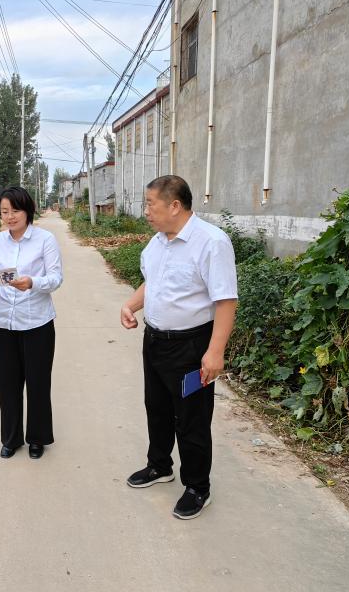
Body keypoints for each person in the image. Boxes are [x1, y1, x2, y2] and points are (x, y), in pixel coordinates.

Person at [120, 175, 237, 520]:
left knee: (192, 418)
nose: (145, 211)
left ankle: (198, 487)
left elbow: (226, 301)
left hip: (191, 347)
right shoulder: (157, 242)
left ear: (174, 205)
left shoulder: (211, 242)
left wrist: (215, 352)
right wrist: (131, 305)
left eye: (150, 204)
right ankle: (159, 465)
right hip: (155, 341)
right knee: (156, 407)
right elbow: (153, 282)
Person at [0, 186, 63, 460]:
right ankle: (11, 438)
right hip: (3, 323)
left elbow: (56, 278)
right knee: (8, 383)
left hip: (37, 322)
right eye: (4, 211)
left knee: (38, 383)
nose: (10, 216)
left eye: (15, 210)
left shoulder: (45, 240)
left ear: (28, 211)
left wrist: (32, 282)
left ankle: (37, 438)